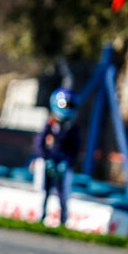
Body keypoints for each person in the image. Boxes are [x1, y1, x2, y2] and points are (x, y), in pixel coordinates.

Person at [35, 87, 82, 225]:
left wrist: (67, 162)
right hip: (47, 162)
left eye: (70, 105)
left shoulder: (73, 129)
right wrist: (46, 158)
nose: (67, 108)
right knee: (43, 191)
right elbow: (39, 143)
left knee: (63, 194)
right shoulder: (49, 125)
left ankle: (63, 221)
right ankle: (40, 217)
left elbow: (75, 149)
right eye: (64, 105)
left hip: (63, 164)